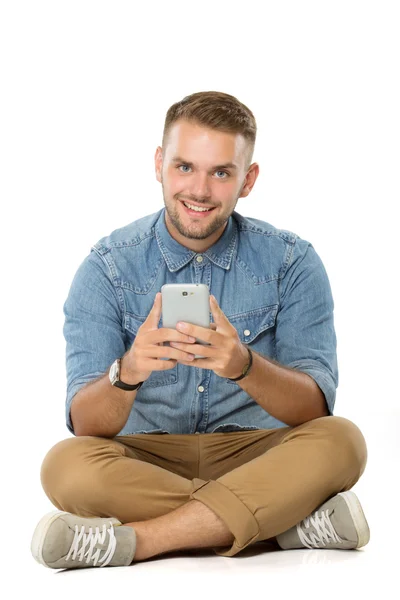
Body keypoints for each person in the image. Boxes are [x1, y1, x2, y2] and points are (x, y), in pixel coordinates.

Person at [31, 91, 369, 570]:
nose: (200, 191)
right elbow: (87, 425)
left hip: (257, 452)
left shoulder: (293, 262)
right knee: (64, 467)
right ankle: (284, 525)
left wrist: (244, 365)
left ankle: (140, 541)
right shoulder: (106, 267)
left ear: (247, 180)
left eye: (221, 172)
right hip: (144, 457)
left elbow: (314, 410)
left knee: (343, 441)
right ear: (159, 164)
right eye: (185, 167)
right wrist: (129, 371)